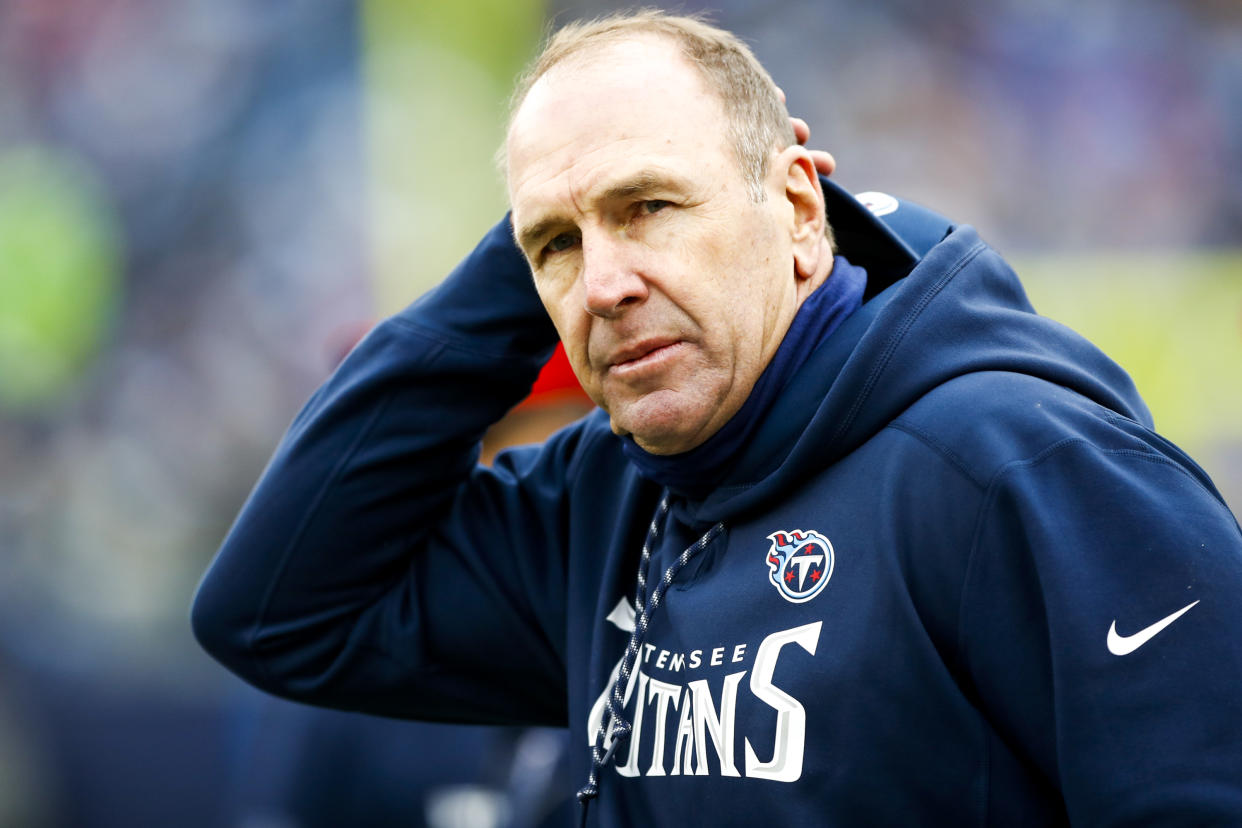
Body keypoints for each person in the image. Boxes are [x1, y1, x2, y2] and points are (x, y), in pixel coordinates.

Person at [193, 10, 1242, 826]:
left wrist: (575, 200)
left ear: (795, 210)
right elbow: (276, 612)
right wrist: (553, 209)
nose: (602, 283)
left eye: (649, 206)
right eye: (554, 245)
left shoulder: (1024, 467)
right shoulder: (604, 494)